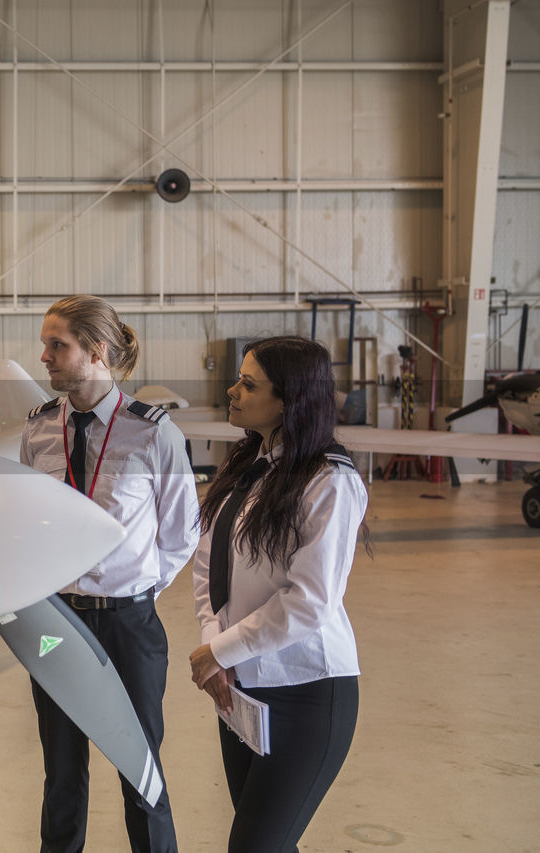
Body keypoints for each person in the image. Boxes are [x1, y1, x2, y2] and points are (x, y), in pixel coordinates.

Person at [19, 295, 198, 853]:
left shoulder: (153, 434)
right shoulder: (39, 430)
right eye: (46, 343)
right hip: (57, 626)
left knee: (140, 770)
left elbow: (181, 534)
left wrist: (132, 588)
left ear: (96, 352)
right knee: (62, 777)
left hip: (129, 626)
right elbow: (27, 524)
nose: (43, 356)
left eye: (57, 345)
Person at [189, 336, 369, 853]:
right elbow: (209, 564)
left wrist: (219, 651)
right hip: (240, 688)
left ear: (289, 400)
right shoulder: (249, 466)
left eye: (248, 383)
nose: (232, 389)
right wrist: (214, 648)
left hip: (306, 692)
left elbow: (309, 600)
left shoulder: (330, 481)